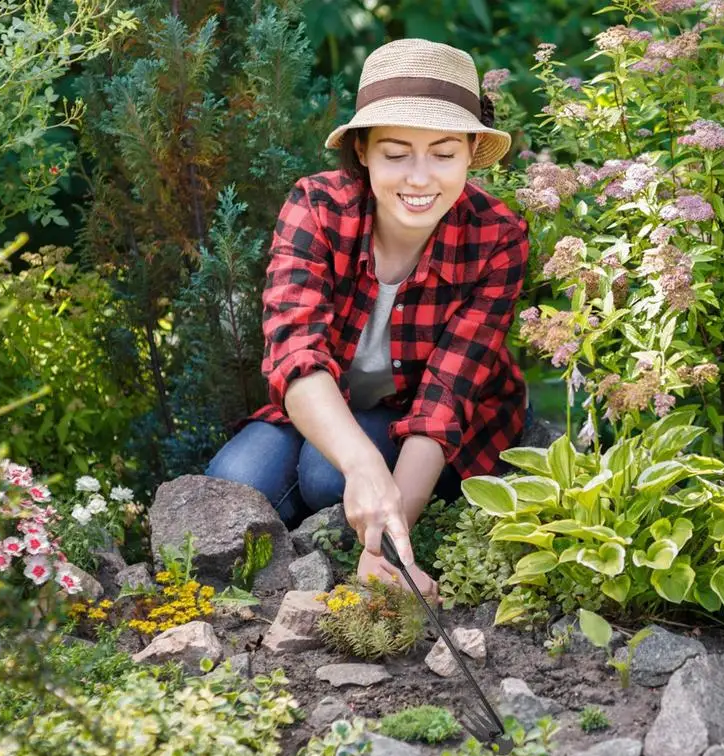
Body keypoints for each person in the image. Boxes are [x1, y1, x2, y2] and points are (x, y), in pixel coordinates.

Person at [206, 38, 530, 602]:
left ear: (472, 149)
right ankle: (327, 518)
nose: (420, 178)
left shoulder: (497, 236)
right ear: (363, 150)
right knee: (235, 484)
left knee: (325, 479)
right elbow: (294, 352)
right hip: (327, 399)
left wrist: (389, 550)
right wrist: (361, 463)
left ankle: (342, 528)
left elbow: (446, 400)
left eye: (444, 153)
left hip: (421, 418)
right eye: (396, 152)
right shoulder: (317, 207)